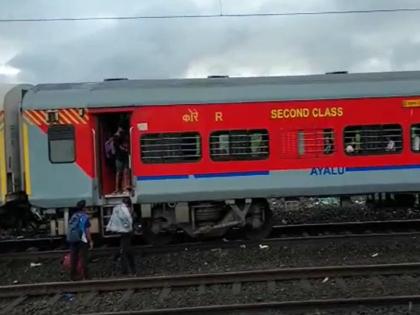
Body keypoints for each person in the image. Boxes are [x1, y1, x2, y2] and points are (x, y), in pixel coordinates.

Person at [106, 197, 136, 275]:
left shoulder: (118, 209)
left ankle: (127, 270)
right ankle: (129, 270)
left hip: (124, 232)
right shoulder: (128, 210)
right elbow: (130, 220)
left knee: (126, 251)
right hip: (127, 232)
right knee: (126, 251)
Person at [67, 200, 93, 280]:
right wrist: (90, 241)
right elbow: (87, 231)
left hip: (73, 239)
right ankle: (87, 276)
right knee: (83, 257)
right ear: (84, 208)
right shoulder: (84, 217)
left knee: (73, 257)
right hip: (82, 239)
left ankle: (73, 276)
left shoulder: (73, 216)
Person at [114, 127, 130, 194]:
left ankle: (125, 187)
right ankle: (117, 189)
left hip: (125, 156)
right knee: (119, 173)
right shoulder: (116, 137)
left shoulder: (125, 136)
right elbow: (117, 145)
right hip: (119, 157)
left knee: (125, 172)